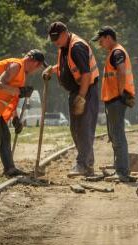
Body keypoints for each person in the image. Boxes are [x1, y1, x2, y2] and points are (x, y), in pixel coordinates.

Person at [0, 49, 48, 177]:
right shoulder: (16, 65)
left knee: (5, 136)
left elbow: (11, 98)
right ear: (33, 61)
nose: (37, 69)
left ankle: (9, 168)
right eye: (38, 66)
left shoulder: (21, 74)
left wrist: (15, 118)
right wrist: (19, 91)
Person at [42, 22, 99, 177]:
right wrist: (52, 70)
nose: (55, 42)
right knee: (75, 129)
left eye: (57, 38)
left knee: (83, 129)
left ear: (65, 32)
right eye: (53, 39)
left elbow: (86, 75)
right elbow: (67, 66)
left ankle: (83, 164)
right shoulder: (64, 47)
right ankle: (87, 163)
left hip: (86, 90)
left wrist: (81, 97)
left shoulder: (76, 47)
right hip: (77, 91)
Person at [92, 26, 136, 182]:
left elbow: (122, 71)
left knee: (118, 135)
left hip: (117, 99)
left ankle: (122, 172)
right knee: (115, 135)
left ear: (109, 37)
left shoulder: (117, 52)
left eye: (101, 40)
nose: (100, 44)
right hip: (114, 99)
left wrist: (120, 93)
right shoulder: (114, 52)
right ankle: (119, 169)